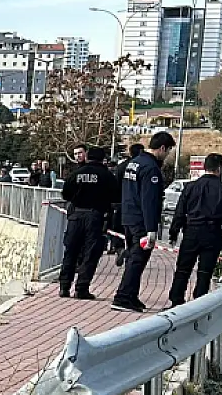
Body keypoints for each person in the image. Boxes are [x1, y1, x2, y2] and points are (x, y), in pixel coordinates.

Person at [111, 131, 175, 312]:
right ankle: (123, 297)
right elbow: (149, 200)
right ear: (162, 148)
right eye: (168, 151)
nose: (167, 155)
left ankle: (131, 295)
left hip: (128, 217)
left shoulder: (134, 163)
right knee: (137, 259)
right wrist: (151, 229)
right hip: (141, 222)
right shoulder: (151, 168)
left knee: (133, 257)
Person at [167, 152, 222, 307]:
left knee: (183, 269)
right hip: (213, 233)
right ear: (219, 169)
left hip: (191, 231)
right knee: (205, 271)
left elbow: (180, 212)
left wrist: (174, 232)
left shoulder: (190, 186)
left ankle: (176, 300)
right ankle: (199, 302)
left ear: (204, 167)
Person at [59, 145, 122, 299]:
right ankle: (81, 289)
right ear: (103, 159)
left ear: (87, 157)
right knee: (90, 254)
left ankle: (64, 287)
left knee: (71, 252)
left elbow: (65, 194)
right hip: (95, 217)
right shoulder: (107, 175)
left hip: (76, 216)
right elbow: (116, 197)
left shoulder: (77, 173)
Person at [109, 143, 144, 267]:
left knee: (117, 230)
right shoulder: (143, 167)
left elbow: (115, 186)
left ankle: (119, 249)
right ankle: (131, 253)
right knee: (134, 235)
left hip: (120, 204)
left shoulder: (121, 167)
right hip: (136, 207)